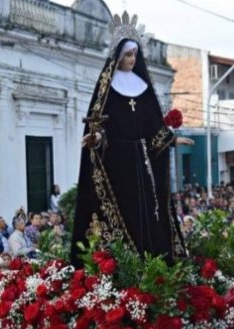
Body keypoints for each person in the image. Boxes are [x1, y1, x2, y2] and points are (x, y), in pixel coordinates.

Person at [71, 26, 192, 265]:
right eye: (127, 54)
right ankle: (123, 263)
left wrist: (172, 139)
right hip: (117, 162)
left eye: (134, 55)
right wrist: (95, 139)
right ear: (117, 55)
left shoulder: (143, 88)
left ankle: (150, 259)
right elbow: (100, 124)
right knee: (123, 211)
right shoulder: (107, 89)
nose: (131, 59)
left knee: (147, 212)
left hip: (143, 162)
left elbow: (153, 125)